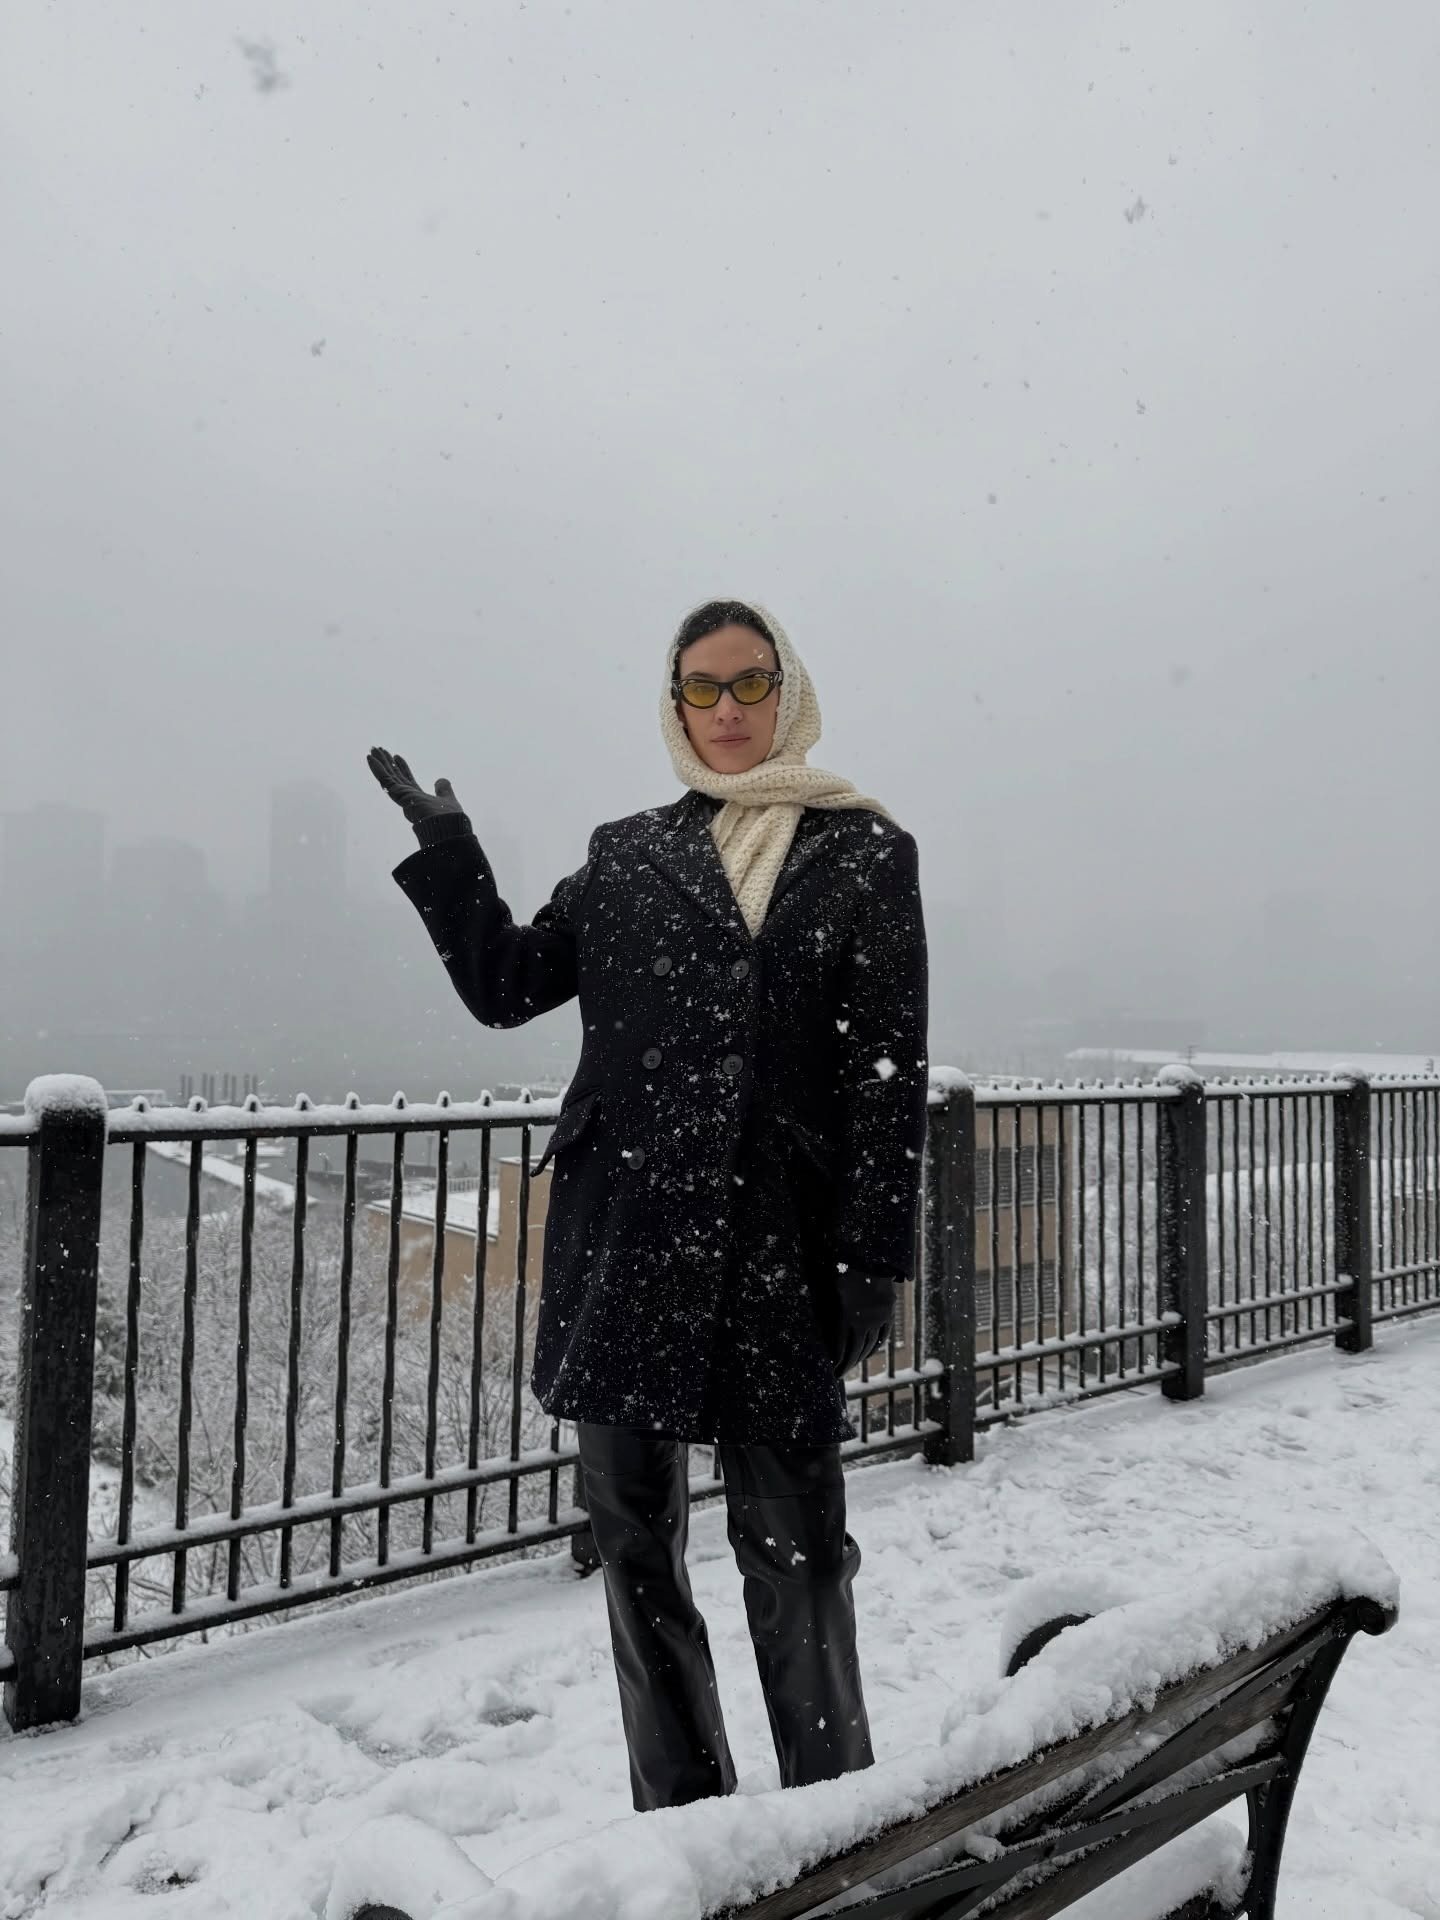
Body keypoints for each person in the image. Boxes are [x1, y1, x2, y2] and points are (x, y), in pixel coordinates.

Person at [367, 598, 929, 1812]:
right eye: (700, 689)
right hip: (625, 1250)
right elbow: (510, 985)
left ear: (788, 689)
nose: (726, 711)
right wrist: (452, 851)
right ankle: (684, 1831)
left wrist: (872, 1257)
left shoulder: (867, 853)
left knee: (800, 1559)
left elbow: (888, 1072)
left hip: (781, 1253)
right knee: (635, 1555)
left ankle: (833, 1832)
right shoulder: (626, 852)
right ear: (671, 703)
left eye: (748, 683)